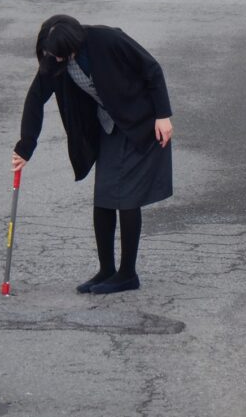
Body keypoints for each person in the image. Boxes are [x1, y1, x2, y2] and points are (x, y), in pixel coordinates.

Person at [11, 15, 173, 295]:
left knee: (127, 197)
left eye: (59, 55)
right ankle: (107, 270)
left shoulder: (107, 39)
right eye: (51, 54)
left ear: (72, 44)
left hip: (142, 122)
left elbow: (151, 68)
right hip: (109, 125)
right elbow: (36, 97)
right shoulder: (55, 59)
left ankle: (127, 274)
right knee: (104, 197)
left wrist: (163, 115)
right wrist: (25, 146)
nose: (55, 60)